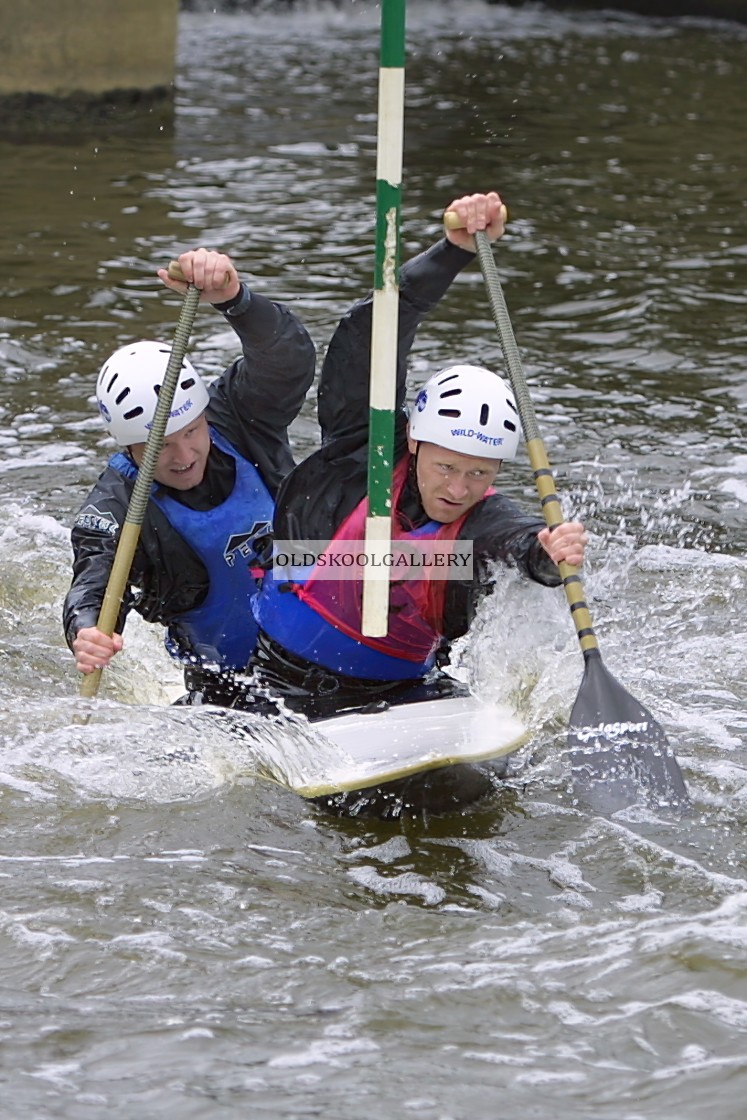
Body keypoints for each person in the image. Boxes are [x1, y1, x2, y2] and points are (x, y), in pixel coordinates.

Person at [245, 192, 587, 762]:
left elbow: (524, 546)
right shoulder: (366, 453)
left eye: (478, 474)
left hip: (396, 693)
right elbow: (366, 338)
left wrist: (553, 553)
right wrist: (451, 253)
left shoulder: (484, 521)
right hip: (274, 679)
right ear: (413, 441)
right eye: (446, 467)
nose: (458, 490)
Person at [63, 248, 316, 701]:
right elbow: (96, 585)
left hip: (326, 641)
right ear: (128, 446)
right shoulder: (115, 508)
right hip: (229, 686)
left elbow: (287, 360)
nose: (183, 456)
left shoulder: (237, 416)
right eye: (159, 446)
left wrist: (234, 299)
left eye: (192, 432)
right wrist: (87, 631)